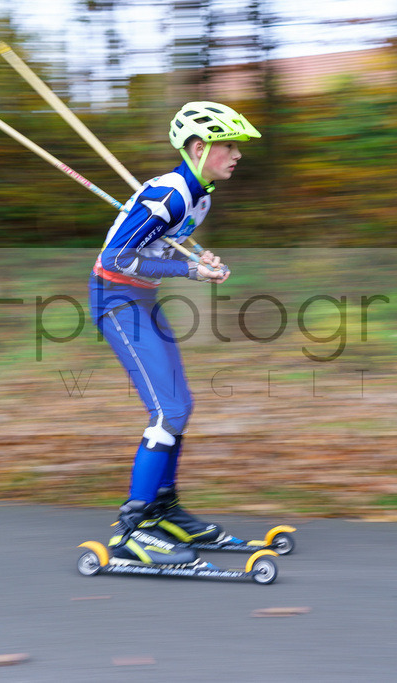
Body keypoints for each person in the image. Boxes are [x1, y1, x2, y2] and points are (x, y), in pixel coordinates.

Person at [89, 101, 261, 565]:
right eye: (229, 145)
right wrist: (189, 271)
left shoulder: (198, 195)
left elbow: (159, 245)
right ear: (200, 147)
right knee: (168, 410)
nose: (237, 154)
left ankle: (164, 511)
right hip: (116, 299)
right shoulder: (170, 195)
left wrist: (198, 261)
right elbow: (116, 259)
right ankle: (133, 528)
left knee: (179, 407)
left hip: (141, 299)